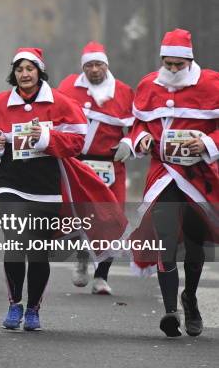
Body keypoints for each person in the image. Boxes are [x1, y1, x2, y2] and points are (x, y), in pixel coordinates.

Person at [0, 47, 125, 331]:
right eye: (19, 69)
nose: (24, 74)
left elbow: (77, 141)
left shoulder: (59, 102)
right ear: (14, 74)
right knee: (14, 243)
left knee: (37, 251)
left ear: (39, 72)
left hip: (46, 187)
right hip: (11, 183)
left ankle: (33, 309)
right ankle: (14, 304)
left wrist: (46, 137)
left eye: (30, 69)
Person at [123, 29, 218, 337]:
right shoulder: (149, 84)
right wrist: (143, 138)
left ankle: (189, 298)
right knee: (164, 238)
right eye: (169, 63)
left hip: (198, 176)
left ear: (190, 61)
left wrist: (205, 143)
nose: (173, 70)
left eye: (179, 64)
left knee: (192, 242)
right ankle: (169, 311)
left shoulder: (212, 85)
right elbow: (137, 124)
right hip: (163, 173)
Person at [58, 41, 135, 295]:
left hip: (110, 165)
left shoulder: (123, 92)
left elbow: (138, 126)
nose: (94, 70)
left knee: (110, 219)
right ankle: (82, 258)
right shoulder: (69, 87)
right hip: (78, 162)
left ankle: (102, 276)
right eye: (89, 65)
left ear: (106, 65)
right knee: (79, 216)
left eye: (98, 65)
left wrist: (128, 142)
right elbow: (56, 117)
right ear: (83, 68)